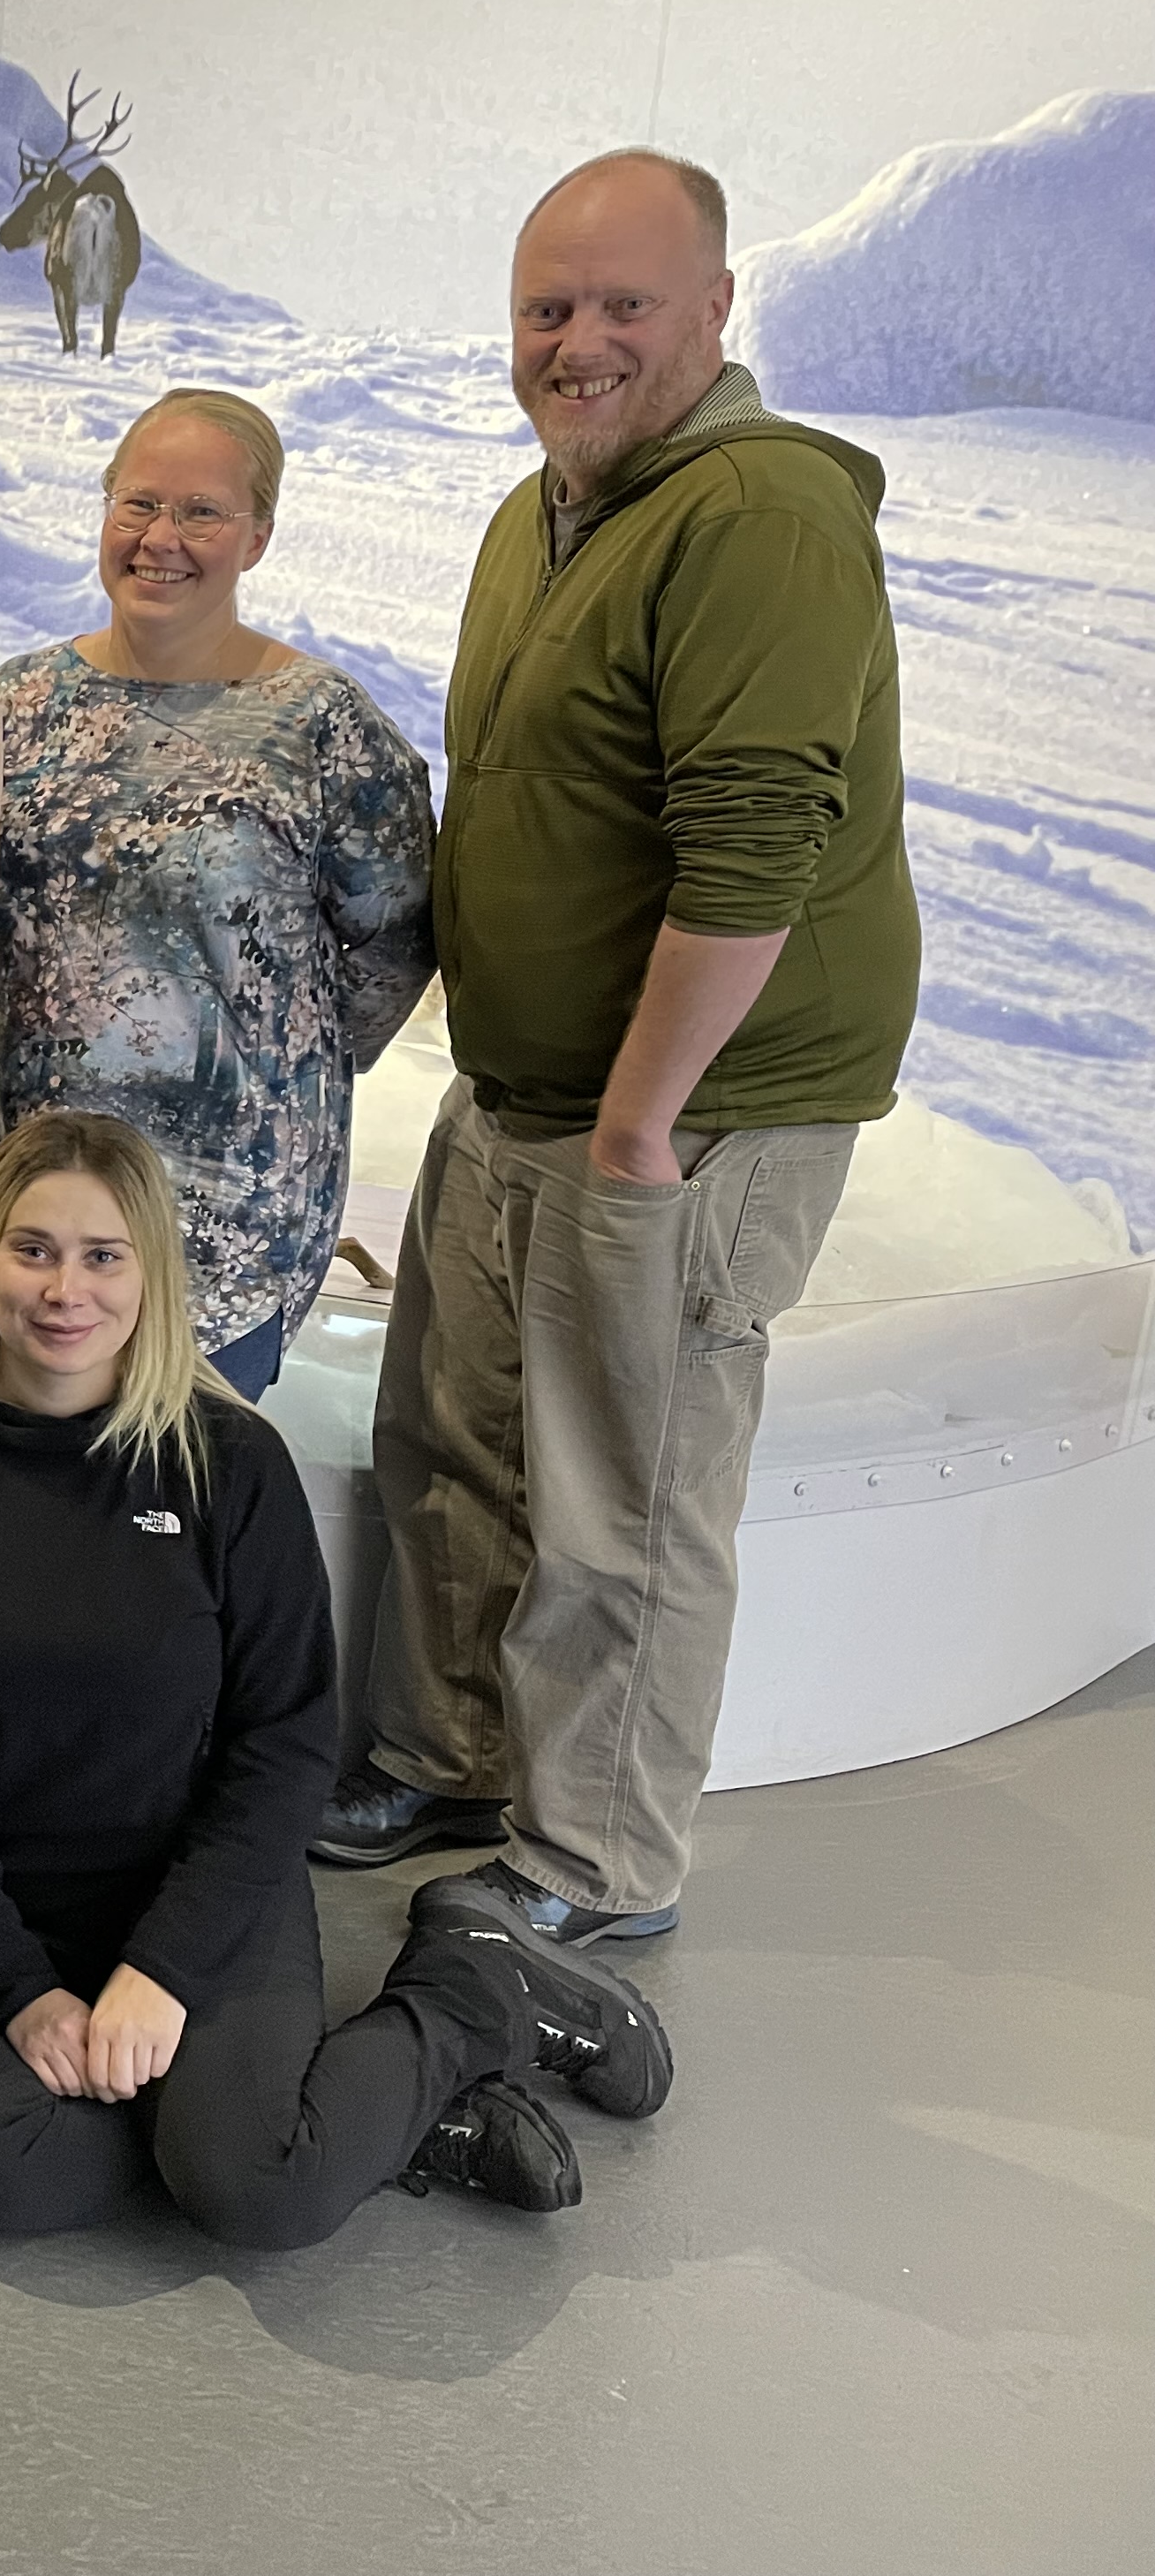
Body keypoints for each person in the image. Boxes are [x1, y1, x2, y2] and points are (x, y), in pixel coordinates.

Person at [319, 149, 923, 1953]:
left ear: (720, 310)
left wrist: (647, 1119)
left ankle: (595, 1861)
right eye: (546, 310)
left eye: (623, 307)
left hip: (679, 1119)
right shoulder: (551, 513)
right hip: (524, 1095)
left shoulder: (755, 520)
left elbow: (754, 839)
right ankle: (448, 1753)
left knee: (623, 1505)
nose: (576, 346)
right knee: (461, 1441)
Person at [0, 1110, 672, 2252]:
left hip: (197, 1891)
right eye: (31, 1248)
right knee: (28, 2171)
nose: (63, 1288)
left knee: (253, 2187)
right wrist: (22, 1985)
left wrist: (162, 1974)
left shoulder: (227, 1462)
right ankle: (328, 2114)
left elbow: (283, 1744)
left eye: (102, 1255)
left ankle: (467, 1996)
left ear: (151, 1274)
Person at [0, 388, 434, 1398]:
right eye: (138, 504)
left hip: (228, 1231)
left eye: (202, 512)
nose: (162, 538)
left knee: (170, 1526)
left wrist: (256, 1069)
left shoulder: (322, 727)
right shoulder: (9, 708)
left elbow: (396, 944)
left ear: (259, 537)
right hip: (35, 1214)